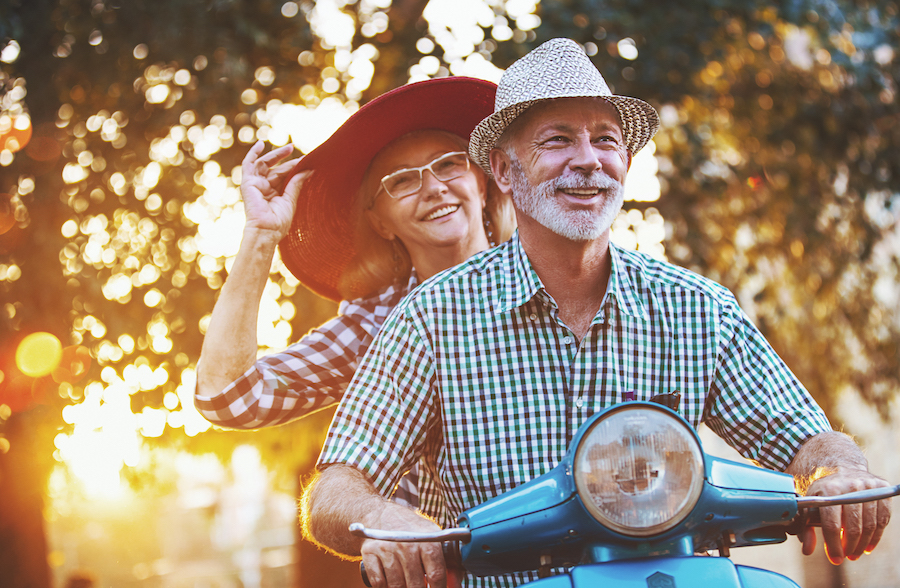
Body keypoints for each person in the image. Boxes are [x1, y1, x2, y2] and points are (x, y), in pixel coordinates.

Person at [302, 39, 893, 588]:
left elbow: (808, 438)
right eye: (557, 140)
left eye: (606, 140)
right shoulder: (433, 317)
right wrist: (384, 516)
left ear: (626, 163)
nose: (587, 161)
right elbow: (335, 488)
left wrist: (839, 476)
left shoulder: (696, 307)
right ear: (505, 172)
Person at [194, 76, 515, 506]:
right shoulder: (376, 327)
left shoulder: (551, 274)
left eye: (448, 164)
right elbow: (228, 396)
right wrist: (261, 234)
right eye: (402, 181)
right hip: (455, 560)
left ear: (482, 180)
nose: (434, 187)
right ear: (380, 222)